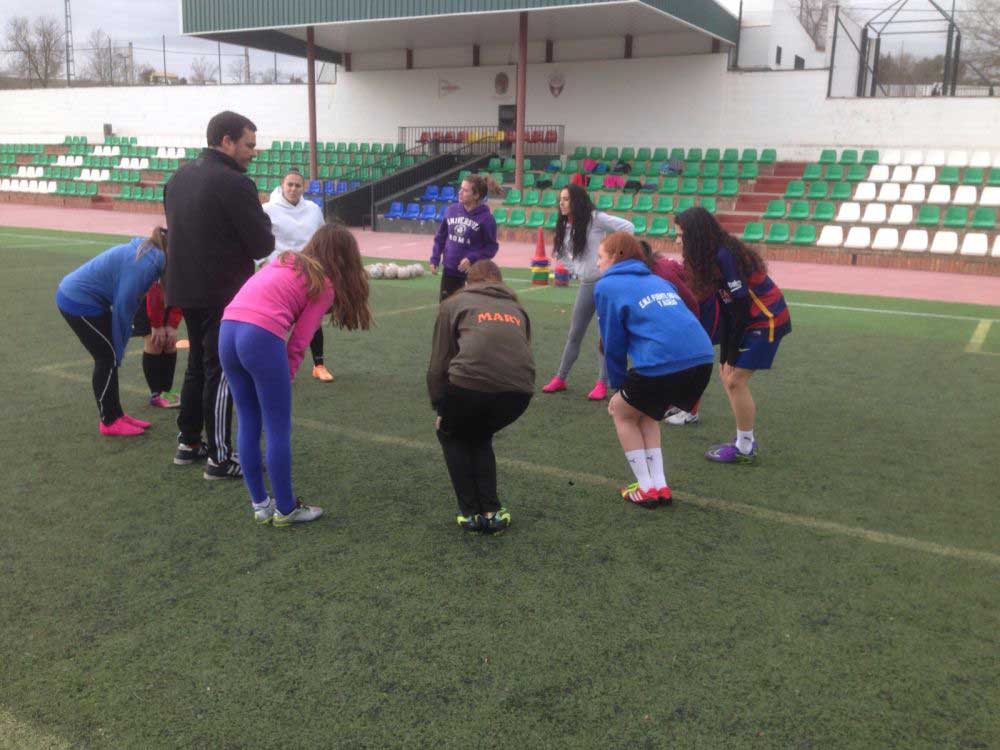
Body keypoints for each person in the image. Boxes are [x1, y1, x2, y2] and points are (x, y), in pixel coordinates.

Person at [220, 223, 372, 527]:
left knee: (249, 421)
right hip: (259, 336)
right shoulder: (323, 284)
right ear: (344, 258)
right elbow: (301, 340)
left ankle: (261, 505)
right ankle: (287, 508)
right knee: (277, 427)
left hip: (227, 329)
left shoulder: (284, 259)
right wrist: (285, 376)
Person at [164, 110, 275, 480]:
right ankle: (220, 457)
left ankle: (188, 441)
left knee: (198, 362)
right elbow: (262, 243)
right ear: (226, 141)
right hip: (222, 292)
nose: (252, 153)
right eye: (248, 145)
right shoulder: (235, 183)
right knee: (223, 370)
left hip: (184, 286)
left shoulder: (178, 177)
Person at [594, 232, 715, 508]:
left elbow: (613, 340)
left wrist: (617, 385)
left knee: (620, 411)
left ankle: (646, 489)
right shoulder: (656, 279)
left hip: (665, 363)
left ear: (615, 257)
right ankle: (659, 485)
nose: (597, 262)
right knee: (646, 413)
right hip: (702, 359)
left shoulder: (606, 286)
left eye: (600, 257)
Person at [675, 206, 791, 464]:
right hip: (749, 319)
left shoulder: (724, 256)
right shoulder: (710, 258)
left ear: (696, 235)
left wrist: (732, 351)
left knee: (735, 380)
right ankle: (743, 442)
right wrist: (725, 354)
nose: (677, 241)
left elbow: (738, 308)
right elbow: (727, 310)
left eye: (681, 235)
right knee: (727, 375)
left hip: (767, 318)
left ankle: (746, 447)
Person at [427, 260, 534, 533]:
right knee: (478, 435)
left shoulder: (453, 304)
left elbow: (439, 363)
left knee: (450, 432)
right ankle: (492, 510)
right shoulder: (517, 308)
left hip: (469, 386)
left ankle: (470, 513)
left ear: (467, 283)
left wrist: (440, 406)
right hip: (519, 394)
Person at [55, 228, 168, 436]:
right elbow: (123, 310)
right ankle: (108, 422)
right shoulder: (144, 266)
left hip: (92, 302)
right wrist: (119, 345)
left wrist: (119, 346)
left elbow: (128, 307)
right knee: (106, 357)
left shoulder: (150, 257)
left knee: (110, 355)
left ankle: (117, 414)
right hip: (75, 301)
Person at [541, 183, 634, 401]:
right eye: (560, 199)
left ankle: (602, 383)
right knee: (575, 333)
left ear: (577, 200)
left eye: (565, 199)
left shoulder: (595, 218)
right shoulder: (564, 225)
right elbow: (560, 254)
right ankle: (560, 377)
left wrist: (613, 260)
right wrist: (577, 271)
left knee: (604, 337)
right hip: (586, 284)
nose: (561, 203)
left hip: (605, 285)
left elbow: (629, 228)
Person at [262, 167, 332, 383]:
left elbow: (322, 238)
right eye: (289, 184)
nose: (293, 188)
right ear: (282, 185)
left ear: (304, 187)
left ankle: (319, 365)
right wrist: (265, 264)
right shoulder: (267, 209)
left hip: (308, 271)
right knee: (278, 320)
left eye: (297, 185)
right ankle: (276, 365)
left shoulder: (313, 209)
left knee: (313, 319)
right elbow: (259, 239)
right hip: (278, 274)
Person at [430, 174, 500, 301]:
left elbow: (491, 247)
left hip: (473, 275)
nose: (460, 192)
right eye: (460, 188)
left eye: (465, 190)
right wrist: (435, 258)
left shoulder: (486, 219)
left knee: (469, 312)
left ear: (476, 195)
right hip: (449, 272)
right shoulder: (451, 210)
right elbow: (441, 237)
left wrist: (471, 258)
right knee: (446, 310)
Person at [133, 279, 182, 409]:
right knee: (155, 342)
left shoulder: (185, 267)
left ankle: (166, 393)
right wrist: (156, 325)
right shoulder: (161, 261)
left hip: (169, 296)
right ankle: (156, 394)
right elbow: (153, 289)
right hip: (146, 298)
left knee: (170, 343)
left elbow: (182, 290)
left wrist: (172, 324)